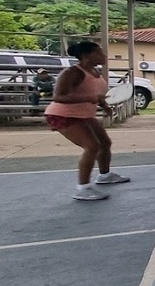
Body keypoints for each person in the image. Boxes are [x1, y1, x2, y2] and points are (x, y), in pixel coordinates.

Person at [44, 41, 130, 201]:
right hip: (63, 114)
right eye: (99, 53)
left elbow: (95, 92)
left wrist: (104, 105)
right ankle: (82, 188)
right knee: (92, 146)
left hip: (83, 114)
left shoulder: (94, 71)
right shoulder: (71, 72)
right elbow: (58, 96)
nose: (103, 55)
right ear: (86, 56)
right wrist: (91, 98)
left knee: (105, 143)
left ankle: (105, 175)